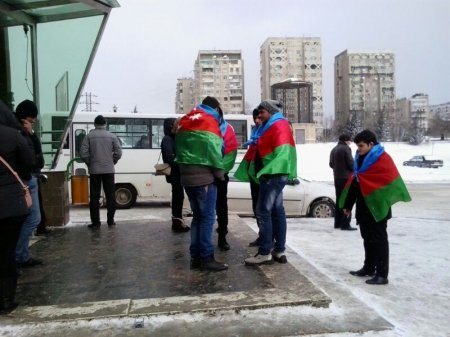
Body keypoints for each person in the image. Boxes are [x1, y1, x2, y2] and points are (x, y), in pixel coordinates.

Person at [340, 130, 411, 285]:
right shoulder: (359, 158)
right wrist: (348, 205)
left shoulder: (383, 159)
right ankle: (369, 267)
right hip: (363, 207)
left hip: (378, 207)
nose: (358, 149)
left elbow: (388, 182)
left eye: (361, 146)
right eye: (357, 146)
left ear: (371, 144)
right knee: (367, 238)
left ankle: (382, 274)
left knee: (379, 240)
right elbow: (356, 182)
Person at [235, 100, 297, 265]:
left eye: (262, 112)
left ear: (270, 111)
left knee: (263, 211)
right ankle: (278, 250)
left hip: (272, 174)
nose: (259, 115)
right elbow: (271, 145)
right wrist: (256, 143)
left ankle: (265, 252)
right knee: (277, 212)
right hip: (272, 174)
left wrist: (267, 170)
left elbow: (283, 152)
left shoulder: (278, 125)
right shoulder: (272, 125)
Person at [175, 96, 227, 271]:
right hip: (204, 178)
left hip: (186, 177)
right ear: (216, 107)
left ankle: (195, 257)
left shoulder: (186, 118)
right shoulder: (209, 120)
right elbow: (213, 149)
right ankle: (206, 257)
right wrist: (220, 174)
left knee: (197, 217)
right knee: (207, 219)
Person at [0, 100, 33, 314]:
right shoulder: (13, 135)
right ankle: (6, 300)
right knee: (6, 251)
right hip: (11, 203)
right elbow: (28, 163)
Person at [14, 100, 45, 268]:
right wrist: (32, 135)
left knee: (27, 219)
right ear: (25, 118)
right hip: (26, 179)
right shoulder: (20, 134)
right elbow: (36, 159)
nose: (32, 124)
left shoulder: (15, 131)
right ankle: (20, 255)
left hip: (22, 180)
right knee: (33, 218)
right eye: (31, 120)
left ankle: (19, 254)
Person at [79, 115, 122, 229]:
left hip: (95, 171)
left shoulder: (89, 136)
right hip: (109, 170)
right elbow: (119, 152)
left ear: (95, 124)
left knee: (94, 197)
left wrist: (90, 163)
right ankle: (110, 221)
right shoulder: (112, 136)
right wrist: (113, 160)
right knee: (111, 196)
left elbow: (83, 153)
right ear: (105, 125)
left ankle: (96, 223)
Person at [161, 117, 190, 232]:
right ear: (170, 126)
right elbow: (170, 158)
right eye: (175, 125)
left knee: (179, 197)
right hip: (174, 174)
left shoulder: (173, 138)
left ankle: (178, 221)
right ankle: (177, 223)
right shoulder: (167, 139)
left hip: (178, 173)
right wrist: (182, 160)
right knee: (178, 197)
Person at [215, 107, 238, 251]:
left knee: (221, 207)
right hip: (204, 175)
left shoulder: (227, 128)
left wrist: (218, 172)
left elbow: (231, 155)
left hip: (220, 176)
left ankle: (222, 236)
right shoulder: (202, 126)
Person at [329, 134, 356, 230]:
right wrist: (355, 171)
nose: (350, 142)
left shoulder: (334, 149)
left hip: (337, 178)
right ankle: (345, 224)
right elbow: (351, 163)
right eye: (349, 140)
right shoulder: (346, 149)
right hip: (346, 179)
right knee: (347, 200)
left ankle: (337, 223)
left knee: (339, 200)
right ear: (345, 140)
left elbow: (331, 164)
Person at [246, 109, 263, 247]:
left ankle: (269, 238)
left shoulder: (268, 130)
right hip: (254, 175)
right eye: (254, 118)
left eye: (259, 117)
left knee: (264, 209)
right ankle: (262, 235)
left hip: (264, 177)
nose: (257, 120)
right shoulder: (255, 131)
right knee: (256, 208)